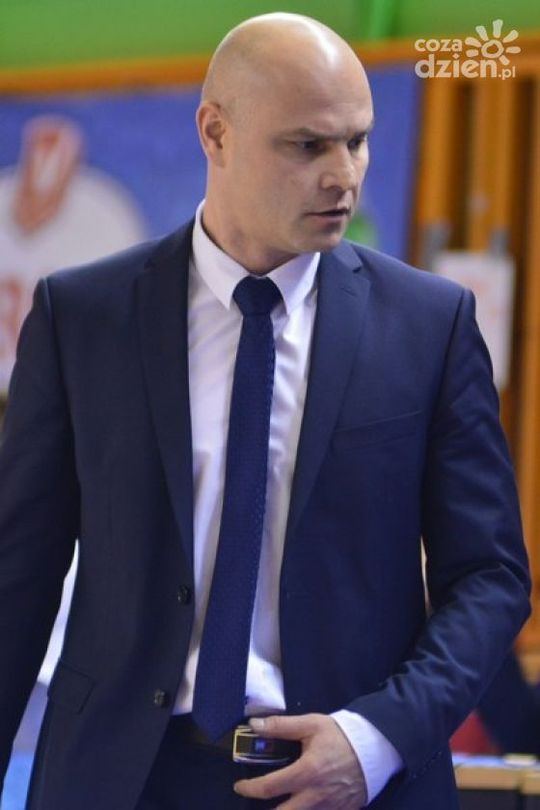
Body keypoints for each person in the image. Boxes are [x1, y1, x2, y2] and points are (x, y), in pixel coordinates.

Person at [0, 12, 531, 810]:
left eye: (358, 141)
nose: (343, 176)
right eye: (308, 145)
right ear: (215, 132)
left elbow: (490, 578)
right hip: (122, 780)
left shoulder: (431, 325)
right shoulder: (82, 318)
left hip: (352, 778)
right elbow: (18, 575)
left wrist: (377, 737)